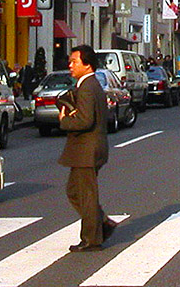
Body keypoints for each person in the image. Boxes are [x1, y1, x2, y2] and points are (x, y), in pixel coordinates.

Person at [59, 44, 119, 251]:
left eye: (74, 61)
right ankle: (101, 223)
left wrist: (65, 120)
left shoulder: (87, 88)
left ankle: (92, 239)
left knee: (84, 194)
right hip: (89, 149)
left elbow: (85, 121)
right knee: (75, 191)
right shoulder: (90, 85)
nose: (70, 65)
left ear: (87, 64)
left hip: (87, 150)